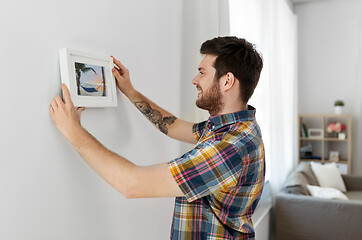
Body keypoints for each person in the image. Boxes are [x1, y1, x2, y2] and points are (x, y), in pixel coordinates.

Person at [49, 36, 265, 240]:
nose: (195, 80)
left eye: (202, 72)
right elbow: (174, 127)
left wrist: (73, 130)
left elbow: (132, 184)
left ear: (227, 81)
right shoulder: (234, 127)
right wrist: (130, 91)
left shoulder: (230, 147)